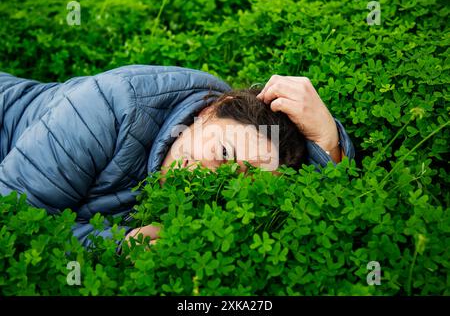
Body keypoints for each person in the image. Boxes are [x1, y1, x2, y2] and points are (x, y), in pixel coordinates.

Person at [0, 65, 355, 251]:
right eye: (224, 154)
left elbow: (308, 220)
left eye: (240, 186)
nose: (212, 183)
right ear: (208, 111)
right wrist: (116, 246)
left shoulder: (207, 144)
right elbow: (10, 217)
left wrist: (329, 144)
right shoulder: (111, 106)